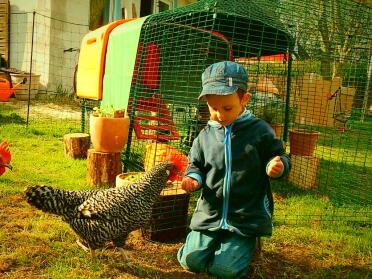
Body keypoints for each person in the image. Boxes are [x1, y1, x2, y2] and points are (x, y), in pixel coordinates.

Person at [177, 61, 291, 279]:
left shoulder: (260, 131)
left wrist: (278, 165)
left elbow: (280, 156)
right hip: (210, 215)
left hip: (244, 217)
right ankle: (210, 243)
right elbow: (196, 165)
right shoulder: (205, 136)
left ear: (244, 99)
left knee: (225, 271)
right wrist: (193, 178)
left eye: (227, 108)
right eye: (213, 108)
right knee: (190, 261)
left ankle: (239, 247)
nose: (219, 114)